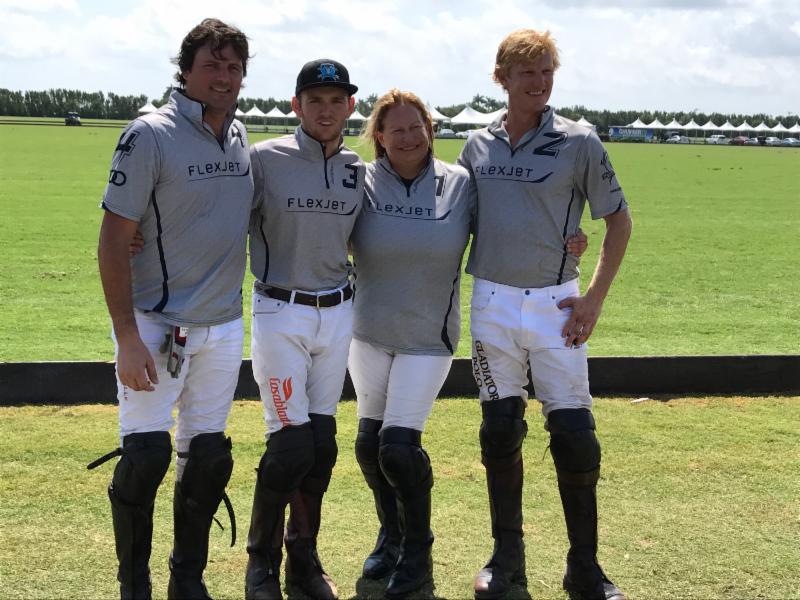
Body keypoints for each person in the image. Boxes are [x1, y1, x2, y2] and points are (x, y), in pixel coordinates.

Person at [349, 89, 588, 599]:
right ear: (379, 137)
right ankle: (391, 536)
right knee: (368, 445)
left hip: (427, 338)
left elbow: (510, 225)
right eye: (397, 129)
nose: (408, 137)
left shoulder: (459, 183)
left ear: (430, 130)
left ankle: (418, 554)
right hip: (367, 333)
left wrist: (567, 240)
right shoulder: (360, 182)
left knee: (398, 449)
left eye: (417, 127)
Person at [458, 29, 633, 600]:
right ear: (501, 78)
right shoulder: (475, 145)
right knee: (499, 428)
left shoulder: (580, 140)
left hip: (558, 305)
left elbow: (619, 221)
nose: (539, 82)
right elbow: (454, 224)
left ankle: (585, 567)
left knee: (576, 435)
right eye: (527, 72)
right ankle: (506, 559)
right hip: (491, 303)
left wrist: (595, 298)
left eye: (547, 71)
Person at [91, 18, 253, 600]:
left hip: (222, 327)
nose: (224, 76)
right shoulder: (149, 134)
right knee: (145, 456)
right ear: (185, 71)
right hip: (155, 323)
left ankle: (188, 581)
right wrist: (127, 337)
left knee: (207, 458)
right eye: (212, 64)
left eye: (233, 67)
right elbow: (113, 239)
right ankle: (134, 585)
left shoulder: (240, 137)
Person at [244, 59, 364, 600]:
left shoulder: (359, 169)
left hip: (337, 315)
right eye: (315, 100)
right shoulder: (263, 160)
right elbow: (214, 214)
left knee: (322, 446)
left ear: (351, 107)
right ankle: (261, 564)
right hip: (280, 312)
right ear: (296, 106)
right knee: (290, 447)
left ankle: (303, 559)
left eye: (336, 101)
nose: (326, 110)